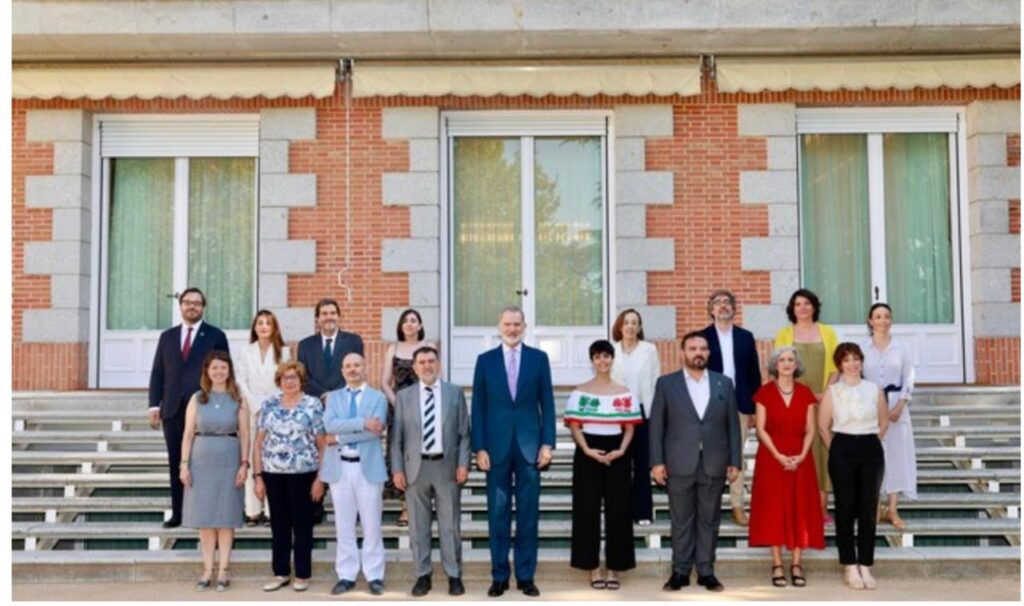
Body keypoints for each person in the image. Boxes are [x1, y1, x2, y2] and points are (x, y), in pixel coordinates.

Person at [471, 305, 556, 598]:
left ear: (524, 327)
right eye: (507, 324)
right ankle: (499, 576)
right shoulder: (485, 361)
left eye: (517, 324)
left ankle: (526, 576)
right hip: (495, 448)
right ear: (499, 327)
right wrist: (479, 447)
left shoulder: (538, 359)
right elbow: (478, 407)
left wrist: (548, 443)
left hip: (530, 448)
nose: (512, 329)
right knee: (498, 514)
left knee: (528, 515)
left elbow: (548, 403)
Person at [650, 331, 741, 593]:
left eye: (702, 348)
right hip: (679, 462)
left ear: (709, 352)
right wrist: (657, 462)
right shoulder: (667, 384)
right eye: (692, 348)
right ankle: (680, 572)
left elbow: (732, 426)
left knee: (709, 520)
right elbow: (657, 426)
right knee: (681, 520)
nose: (698, 353)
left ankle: (706, 571)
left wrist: (735, 460)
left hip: (714, 462)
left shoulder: (724, 383)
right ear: (683, 353)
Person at [390, 346, 470, 597]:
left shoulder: (455, 393)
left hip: (447, 467)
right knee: (418, 526)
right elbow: (396, 438)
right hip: (415, 469)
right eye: (422, 362)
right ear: (414, 367)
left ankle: (454, 575)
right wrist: (397, 469)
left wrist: (463, 464)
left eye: (431, 361)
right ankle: (422, 575)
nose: (427, 366)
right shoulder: (404, 396)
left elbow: (464, 434)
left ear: (439, 364)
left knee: (450, 525)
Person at [148, 287, 229, 528]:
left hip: (206, 408)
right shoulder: (167, 337)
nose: (192, 306)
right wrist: (154, 405)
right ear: (181, 305)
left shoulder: (215, 335)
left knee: (205, 462)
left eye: (197, 303)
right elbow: (158, 372)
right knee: (177, 461)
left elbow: (224, 371)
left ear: (203, 307)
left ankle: (205, 512)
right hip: (173, 409)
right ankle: (179, 513)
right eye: (187, 302)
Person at [565, 339, 642, 591]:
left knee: (619, 511)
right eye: (597, 357)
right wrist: (587, 449)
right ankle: (592, 568)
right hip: (588, 451)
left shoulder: (624, 392)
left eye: (606, 356)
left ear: (612, 359)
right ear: (592, 360)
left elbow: (629, 427)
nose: (602, 361)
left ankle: (614, 569)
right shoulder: (580, 392)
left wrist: (621, 450)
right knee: (586, 510)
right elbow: (575, 426)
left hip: (618, 453)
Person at [748, 346, 824, 588]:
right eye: (782, 360)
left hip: (801, 456)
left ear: (796, 365)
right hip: (771, 457)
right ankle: (778, 564)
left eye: (791, 359)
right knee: (774, 509)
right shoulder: (764, 392)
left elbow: (811, 429)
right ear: (775, 365)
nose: (787, 363)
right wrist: (778, 455)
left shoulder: (805, 393)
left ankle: (797, 564)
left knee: (799, 506)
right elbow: (760, 428)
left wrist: (802, 455)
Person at [818, 342, 889, 590]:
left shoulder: (874, 389)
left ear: (862, 361)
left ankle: (865, 564)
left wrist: (869, 443)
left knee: (868, 508)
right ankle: (849, 564)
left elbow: (884, 422)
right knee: (845, 507)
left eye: (856, 358)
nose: (852, 364)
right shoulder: (833, 391)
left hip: (870, 447)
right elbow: (823, 426)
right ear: (840, 364)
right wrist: (838, 449)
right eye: (847, 360)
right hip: (842, 448)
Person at [252, 360, 326, 593]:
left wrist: (320, 479)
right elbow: (258, 443)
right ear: (279, 381)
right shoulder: (269, 404)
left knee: (303, 525)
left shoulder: (312, 404)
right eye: (285, 378)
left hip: (304, 474)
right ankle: (281, 573)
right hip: (273, 474)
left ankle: (302, 574)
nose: (289, 382)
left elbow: (322, 444)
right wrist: (258, 476)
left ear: (301, 380)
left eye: (294, 377)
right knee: (279, 525)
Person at [180, 351, 249, 591]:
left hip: (229, 460)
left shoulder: (238, 398)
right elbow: (188, 434)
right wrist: (183, 464)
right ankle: (208, 569)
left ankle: (224, 569)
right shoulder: (197, 398)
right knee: (206, 519)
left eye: (223, 368)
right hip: (201, 462)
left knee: (226, 518)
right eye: (214, 368)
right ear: (207, 372)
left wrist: (244, 464)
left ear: (229, 371)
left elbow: (245, 434)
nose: (219, 372)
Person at [322, 353, 389, 596]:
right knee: (344, 525)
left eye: (357, 365)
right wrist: (362, 422)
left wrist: (338, 437)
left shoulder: (378, 397)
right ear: (342, 371)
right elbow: (329, 425)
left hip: (367, 468)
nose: (353, 369)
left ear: (365, 368)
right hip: (340, 468)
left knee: (372, 525)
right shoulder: (333, 397)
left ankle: (375, 575)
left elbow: (375, 431)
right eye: (348, 366)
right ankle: (346, 575)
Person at [699, 290, 763, 527]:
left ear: (734, 308)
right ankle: (710, 506)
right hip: (710, 405)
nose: (723, 306)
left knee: (736, 454)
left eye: (727, 302)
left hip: (741, 403)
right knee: (711, 455)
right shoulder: (702, 337)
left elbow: (754, 373)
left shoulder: (745, 337)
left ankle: (738, 505)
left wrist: (755, 407)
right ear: (711, 309)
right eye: (717, 302)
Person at [774, 289, 839, 522]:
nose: (802, 308)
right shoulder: (784, 334)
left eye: (807, 303)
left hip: (823, 400)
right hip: (794, 400)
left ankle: (821, 508)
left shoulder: (828, 333)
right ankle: (798, 507)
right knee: (797, 449)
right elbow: (779, 367)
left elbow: (836, 367)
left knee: (821, 453)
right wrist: (797, 395)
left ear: (814, 307)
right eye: (798, 304)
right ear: (792, 309)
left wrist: (826, 393)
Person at [861, 303, 916, 530]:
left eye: (886, 316)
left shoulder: (902, 348)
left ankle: (892, 509)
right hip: (871, 406)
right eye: (878, 316)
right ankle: (875, 507)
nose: (882, 321)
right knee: (874, 458)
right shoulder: (862, 348)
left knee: (896, 456)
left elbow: (908, 377)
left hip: (896, 406)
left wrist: (900, 405)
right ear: (870, 321)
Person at [381, 308, 438, 528]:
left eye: (414, 320)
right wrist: (397, 403)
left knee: (423, 456)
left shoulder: (429, 346)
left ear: (420, 325)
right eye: (405, 321)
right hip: (398, 409)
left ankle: (422, 503)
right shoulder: (393, 349)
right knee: (402, 456)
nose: (409, 324)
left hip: (425, 409)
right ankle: (405, 506)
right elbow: (385, 382)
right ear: (401, 326)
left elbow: (435, 377)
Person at [236, 309, 291, 527]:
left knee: (272, 459)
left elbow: (285, 380)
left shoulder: (284, 352)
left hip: (275, 409)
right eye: (260, 323)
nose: (264, 326)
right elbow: (241, 380)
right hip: (250, 409)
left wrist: (268, 407)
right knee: (251, 456)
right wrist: (255, 405)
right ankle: (252, 511)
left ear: (274, 327)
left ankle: (271, 510)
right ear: (255, 327)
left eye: (268, 323)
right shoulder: (245, 351)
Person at [609, 309, 660, 526]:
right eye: (626, 322)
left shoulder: (649, 350)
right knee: (619, 465)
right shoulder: (611, 350)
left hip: (642, 411)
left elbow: (655, 380)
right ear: (620, 326)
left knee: (641, 463)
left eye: (634, 322)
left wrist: (655, 413)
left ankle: (643, 512)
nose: (630, 326)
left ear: (639, 327)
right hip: (617, 412)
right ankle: (621, 512)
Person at [297, 298, 364, 399]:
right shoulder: (305, 345)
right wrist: (322, 394)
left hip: (345, 398)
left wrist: (334, 395)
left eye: (333, 313)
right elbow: (303, 376)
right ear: (317, 319)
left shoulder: (353, 341)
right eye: (324, 314)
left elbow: (356, 371)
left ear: (339, 317)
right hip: (314, 400)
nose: (329, 317)